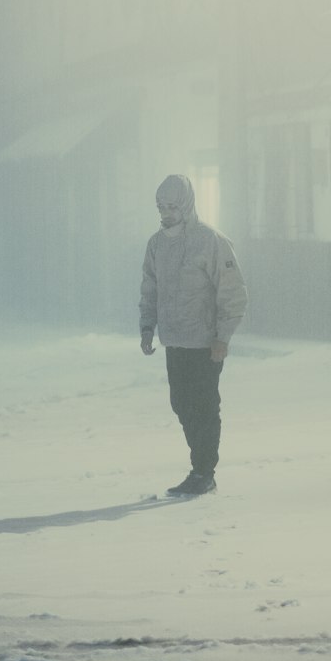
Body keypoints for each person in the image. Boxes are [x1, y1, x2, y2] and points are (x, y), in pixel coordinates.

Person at [139, 173, 247, 496]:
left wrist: (222, 337)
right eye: (161, 206)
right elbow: (150, 289)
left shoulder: (211, 241)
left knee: (203, 406)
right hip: (175, 341)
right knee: (181, 404)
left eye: (172, 206)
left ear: (185, 204)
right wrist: (147, 327)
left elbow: (233, 292)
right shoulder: (156, 246)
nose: (165, 213)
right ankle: (199, 468)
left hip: (204, 343)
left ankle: (203, 471)